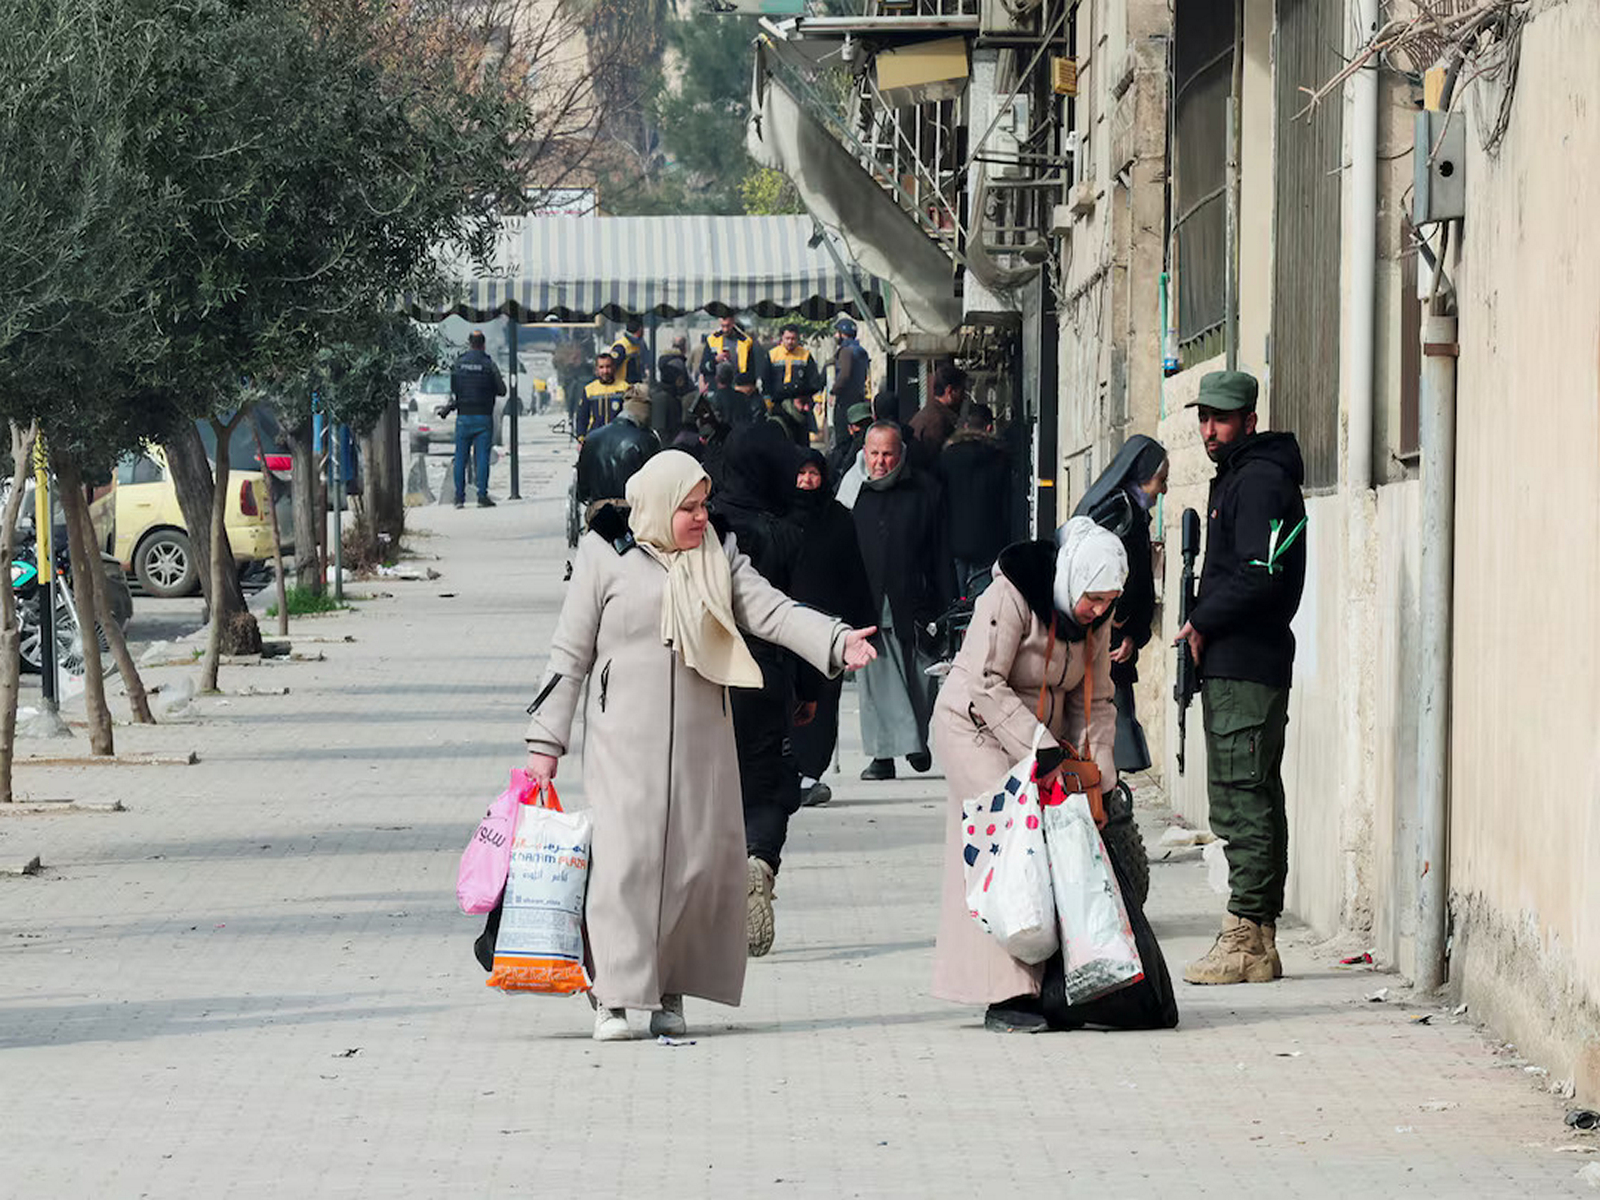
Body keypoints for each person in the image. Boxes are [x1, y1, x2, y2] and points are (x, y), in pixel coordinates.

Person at [524, 451, 879, 1041]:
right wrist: (545, 743)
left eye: (703, 505)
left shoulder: (719, 551)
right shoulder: (603, 554)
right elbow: (569, 653)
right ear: (659, 505)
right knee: (625, 862)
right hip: (622, 739)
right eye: (687, 507)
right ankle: (613, 997)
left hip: (702, 739)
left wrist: (837, 641)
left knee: (689, 867)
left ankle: (669, 991)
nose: (699, 516)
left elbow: (770, 611)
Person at [929, 518, 1128, 1031]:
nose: (1099, 611)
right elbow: (985, 682)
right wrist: (1040, 749)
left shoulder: (1095, 620)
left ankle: (1052, 984)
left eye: (1109, 601)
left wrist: (1099, 770)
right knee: (1010, 845)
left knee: (1056, 845)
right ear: (1072, 580)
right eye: (1094, 599)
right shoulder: (1011, 594)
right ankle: (1007, 994)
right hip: (973, 727)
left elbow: (1096, 699)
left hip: (1039, 741)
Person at [1175, 370, 1306, 986]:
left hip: (1245, 664)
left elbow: (1258, 575)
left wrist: (1200, 620)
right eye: (1204, 419)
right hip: (1247, 661)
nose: (1209, 430)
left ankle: (1244, 938)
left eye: (1221, 420)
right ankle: (1259, 939)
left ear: (1248, 420)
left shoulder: (1256, 481)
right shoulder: (1244, 476)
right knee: (1255, 797)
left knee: (1241, 801)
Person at [710, 428, 816, 955]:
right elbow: (799, 615)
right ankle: (759, 861)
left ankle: (711, 895)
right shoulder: (788, 531)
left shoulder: (708, 527)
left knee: (709, 787)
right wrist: (812, 686)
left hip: (707, 677)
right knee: (770, 784)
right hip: (768, 675)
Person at [852, 421, 952, 780]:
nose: (880, 462)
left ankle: (915, 739)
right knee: (876, 677)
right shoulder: (851, 492)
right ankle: (886, 754)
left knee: (918, 678)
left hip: (915, 598)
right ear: (865, 452)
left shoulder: (926, 491)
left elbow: (941, 551)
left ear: (901, 454)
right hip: (867, 598)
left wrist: (947, 604)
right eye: (874, 453)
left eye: (887, 454)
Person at [1074, 434, 1169, 776]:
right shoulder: (1117, 512)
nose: (1163, 490)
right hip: (1104, 641)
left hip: (1115, 639)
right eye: (1161, 480)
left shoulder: (1130, 511)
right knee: (1108, 728)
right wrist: (1121, 623)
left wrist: (1132, 632)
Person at [789, 450, 875, 807]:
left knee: (825, 699)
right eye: (801, 474)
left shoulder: (838, 517)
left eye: (814, 474)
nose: (808, 481)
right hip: (787, 623)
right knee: (792, 698)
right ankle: (790, 769)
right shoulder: (780, 516)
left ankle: (812, 772)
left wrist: (861, 621)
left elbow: (855, 571)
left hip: (830, 626)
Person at [938, 404, 1012, 598]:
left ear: (964, 426)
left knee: (956, 601)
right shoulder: (999, 457)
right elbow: (1007, 502)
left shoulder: (947, 457)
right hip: (989, 542)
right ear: (988, 428)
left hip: (955, 540)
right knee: (985, 602)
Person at [440, 330, 506, 508]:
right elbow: (502, 390)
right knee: (482, 458)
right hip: (483, 417)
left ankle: (459, 498)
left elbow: (454, 389)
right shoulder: (488, 364)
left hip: (463, 417)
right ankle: (481, 496)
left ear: (469, 343)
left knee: (460, 458)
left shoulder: (459, 363)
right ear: (483, 344)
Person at [908, 362, 969, 461]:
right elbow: (934, 461)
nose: (964, 397)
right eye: (961, 392)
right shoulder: (937, 422)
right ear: (949, 391)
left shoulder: (929, 413)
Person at [830, 316, 870, 445]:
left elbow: (845, 374)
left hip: (845, 401)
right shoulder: (861, 351)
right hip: (859, 399)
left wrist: (833, 392)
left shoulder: (846, 351)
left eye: (837, 333)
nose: (836, 336)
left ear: (842, 334)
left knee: (843, 438)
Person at [765, 324, 822, 410]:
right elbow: (766, 379)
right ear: (782, 338)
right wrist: (767, 398)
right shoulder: (772, 354)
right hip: (777, 402)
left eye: (793, 339)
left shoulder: (805, 355)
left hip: (800, 404)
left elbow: (813, 380)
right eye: (787, 338)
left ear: (797, 339)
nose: (790, 342)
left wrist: (817, 401)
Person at [699, 314, 761, 390]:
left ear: (733, 323)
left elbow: (752, 371)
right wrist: (715, 361)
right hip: (717, 390)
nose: (725, 329)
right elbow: (703, 368)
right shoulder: (712, 340)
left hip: (738, 389)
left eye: (728, 326)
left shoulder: (745, 342)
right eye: (723, 326)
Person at [576, 351, 630, 440]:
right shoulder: (589, 390)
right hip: (595, 438)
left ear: (614, 367)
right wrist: (581, 437)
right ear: (596, 369)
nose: (605, 371)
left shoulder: (625, 388)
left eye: (608, 367)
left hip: (618, 438)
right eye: (601, 367)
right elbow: (582, 416)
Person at [828, 401, 873, 486]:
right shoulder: (841, 453)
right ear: (850, 429)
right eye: (859, 425)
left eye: (867, 424)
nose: (864, 429)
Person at [609, 318, 650, 386]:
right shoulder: (621, 347)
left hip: (635, 386)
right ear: (640, 329)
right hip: (622, 387)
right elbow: (611, 367)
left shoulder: (639, 344)